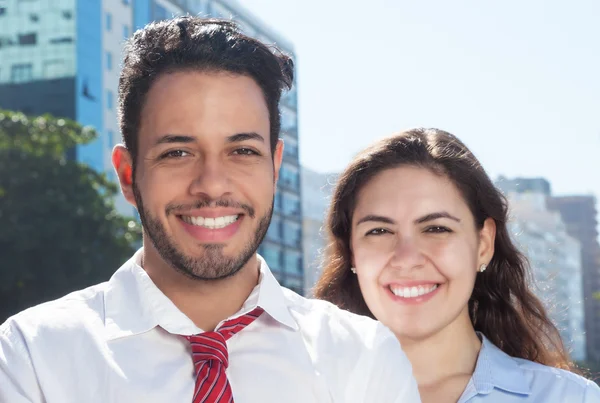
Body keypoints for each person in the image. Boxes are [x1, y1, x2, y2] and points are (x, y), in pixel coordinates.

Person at [0, 17, 421, 403]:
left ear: (274, 168)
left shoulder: (365, 360)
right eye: (178, 152)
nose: (212, 185)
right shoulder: (32, 357)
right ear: (128, 175)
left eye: (242, 150)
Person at [314, 128, 600, 402]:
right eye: (379, 231)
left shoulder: (571, 398)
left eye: (436, 228)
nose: (407, 258)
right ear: (351, 252)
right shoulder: (301, 390)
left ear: (484, 244)